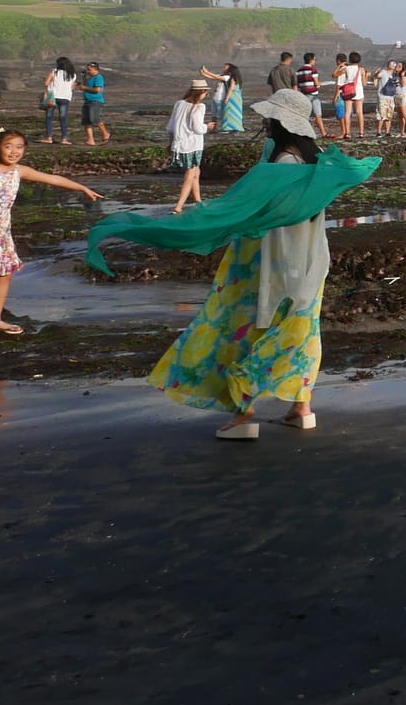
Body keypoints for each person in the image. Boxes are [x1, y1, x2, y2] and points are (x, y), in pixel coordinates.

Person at [87, 89, 378, 441]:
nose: (265, 123)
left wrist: (197, 223)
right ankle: (301, 408)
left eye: (270, 118)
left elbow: (250, 210)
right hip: (310, 258)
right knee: (299, 330)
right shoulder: (315, 165)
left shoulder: (283, 165)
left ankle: (244, 417)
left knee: (247, 327)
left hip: (270, 259)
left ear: (281, 123)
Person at [0, 129, 103, 338]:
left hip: (1, 230)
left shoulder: (19, 171)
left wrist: (81, 188)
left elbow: (51, 179)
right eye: (8, 146)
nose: (14, 151)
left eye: (19, 147)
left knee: (5, 273)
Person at [168, 80, 213, 214]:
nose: (207, 95)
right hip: (192, 145)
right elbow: (198, 129)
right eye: (206, 92)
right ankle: (179, 206)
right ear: (202, 92)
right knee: (190, 174)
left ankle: (198, 201)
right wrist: (208, 127)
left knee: (196, 172)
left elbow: (170, 126)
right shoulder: (199, 107)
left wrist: (170, 142)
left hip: (178, 144)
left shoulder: (179, 104)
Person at [42, 56, 78, 144]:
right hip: (65, 97)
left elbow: (46, 83)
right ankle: (64, 139)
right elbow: (72, 88)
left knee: (49, 117)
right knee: (63, 118)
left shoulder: (54, 71)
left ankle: (49, 137)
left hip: (52, 96)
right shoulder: (72, 74)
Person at [200, 63, 244, 134]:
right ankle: (213, 129)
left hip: (221, 98)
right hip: (215, 98)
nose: (223, 68)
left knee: (222, 115)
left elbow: (216, 77)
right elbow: (212, 77)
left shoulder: (228, 77)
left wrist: (207, 71)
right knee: (214, 115)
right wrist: (202, 72)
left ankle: (225, 129)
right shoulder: (224, 76)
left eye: (225, 67)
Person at [294, 52, 328, 138]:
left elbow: (298, 84)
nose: (315, 61)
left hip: (303, 95)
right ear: (311, 60)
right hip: (313, 95)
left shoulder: (299, 71)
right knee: (318, 115)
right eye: (314, 59)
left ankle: (304, 133)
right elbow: (316, 83)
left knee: (305, 115)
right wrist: (319, 84)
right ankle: (323, 133)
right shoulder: (313, 70)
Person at [333, 51, 363, 139]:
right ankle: (361, 133)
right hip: (359, 92)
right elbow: (364, 82)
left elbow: (334, 74)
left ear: (350, 59)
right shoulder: (361, 69)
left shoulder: (346, 68)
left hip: (348, 92)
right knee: (359, 113)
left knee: (347, 112)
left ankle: (348, 133)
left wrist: (340, 65)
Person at [80, 61, 111, 144]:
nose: (88, 71)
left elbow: (97, 90)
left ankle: (105, 133)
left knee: (94, 119)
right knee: (86, 121)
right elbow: (84, 84)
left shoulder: (98, 77)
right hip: (87, 101)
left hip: (95, 101)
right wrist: (83, 77)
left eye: (89, 69)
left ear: (95, 69)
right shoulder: (89, 77)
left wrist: (85, 88)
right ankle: (90, 139)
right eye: (87, 69)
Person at [375, 60, 398, 136]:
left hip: (391, 97)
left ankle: (387, 132)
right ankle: (379, 132)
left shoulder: (395, 75)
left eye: (395, 64)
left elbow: (396, 85)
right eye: (392, 64)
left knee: (389, 115)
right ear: (388, 65)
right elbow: (376, 76)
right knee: (381, 114)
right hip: (382, 96)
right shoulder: (383, 72)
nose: (394, 65)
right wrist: (378, 71)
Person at [392, 60, 406, 138]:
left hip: (403, 96)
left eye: (399, 66)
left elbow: (403, 84)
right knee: (400, 116)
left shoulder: (404, 74)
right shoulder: (394, 74)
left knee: (405, 115)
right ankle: (402, 132)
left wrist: (401, 75)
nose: (397, 67)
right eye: (397, 66)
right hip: (396, 95)